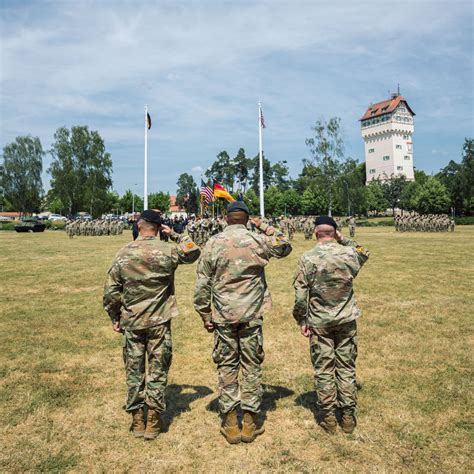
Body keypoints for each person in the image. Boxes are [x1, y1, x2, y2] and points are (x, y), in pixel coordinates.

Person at [194, 201, 292, 444]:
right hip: (251, 314)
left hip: (224, 315)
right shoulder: (257, 240)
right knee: (251, 366)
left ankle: (230, 424)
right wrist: (265, 226)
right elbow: (284, 245)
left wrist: (206, 314)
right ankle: (249, 422)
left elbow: (202, 284)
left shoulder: (214, 242)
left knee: (227, 365)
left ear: (226, 219)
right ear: (247, 219)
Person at [103, 209, 200, 440]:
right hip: (159, 322)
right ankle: (154, 419)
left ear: (139, 226)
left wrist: (115, 317)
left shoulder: (124, 253)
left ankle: (138, 419)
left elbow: (111, 292)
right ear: (158, 228)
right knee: (157, 370)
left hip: (132, 321)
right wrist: (175, 234)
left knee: (134, 371)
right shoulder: (167, 250)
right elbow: (194, 251)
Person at [292, 215, 369, 435]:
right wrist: (343, 239)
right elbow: (364, 251)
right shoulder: (349, 253)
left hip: (320, 322)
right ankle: (347, 417)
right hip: (346, 320)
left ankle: (328, 417)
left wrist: (301, 319)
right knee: (346, 367)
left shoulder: (308, 258)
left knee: (324, 369)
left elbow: (300, 296)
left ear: (316, 233)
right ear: (334, 232)